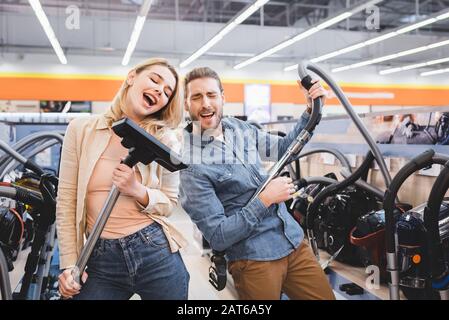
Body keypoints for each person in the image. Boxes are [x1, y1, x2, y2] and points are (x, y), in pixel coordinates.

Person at [179, 67, 335, 300]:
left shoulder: (238, 128)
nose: (205, 104)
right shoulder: (191, 165)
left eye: (211, 95)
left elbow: (283, 150)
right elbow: (219, 236)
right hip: (254, 259)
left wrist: (311, 111)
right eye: (197, 97)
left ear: (223, 97)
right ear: (186, 104)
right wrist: (265, 199)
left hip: (293, 241)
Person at [56, 58, 189, 300]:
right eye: (154, 80)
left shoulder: (166, 141)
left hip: (154, 250)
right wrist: (68, 265)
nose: (160, 90)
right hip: (100, 255)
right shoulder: (81, 129)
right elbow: (66, 201)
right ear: (131, 77)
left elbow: (169, 203)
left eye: (167, 92)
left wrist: (137, 189)